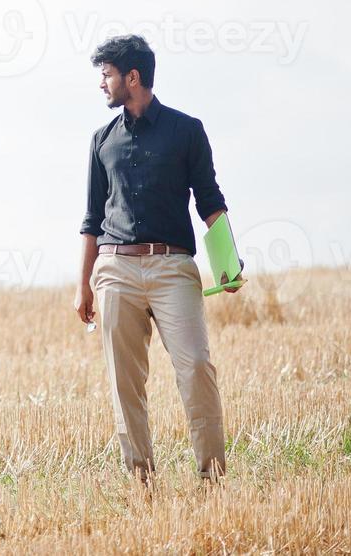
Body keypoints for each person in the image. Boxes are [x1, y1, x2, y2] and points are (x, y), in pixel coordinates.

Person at [71, 34, 234, 484]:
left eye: (106, 75)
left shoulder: (187, 131)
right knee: (125, 382)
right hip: (115, 269)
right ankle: (141, 480)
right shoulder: (101, 140)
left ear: (133, 76)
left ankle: (213, 479)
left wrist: (228, 260)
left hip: (172, 268)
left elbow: (210, 200)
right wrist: (83, 284)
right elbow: (91, 217)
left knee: (196, 366)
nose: (102, 84)